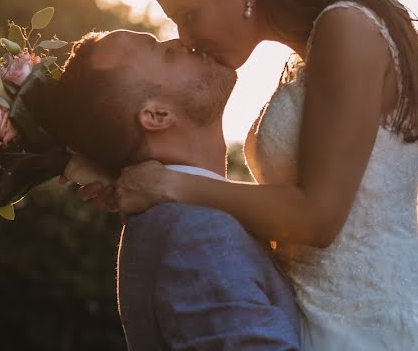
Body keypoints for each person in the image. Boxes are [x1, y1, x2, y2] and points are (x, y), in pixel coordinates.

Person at [106, 0, 418, 349]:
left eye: (187, 14)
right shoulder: (305, 57)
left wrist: (174, 185)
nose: (186, 37)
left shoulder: (348, 29)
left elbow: (319, 217)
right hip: (322, 320)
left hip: (382, 327)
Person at [51, 29, 301, 350]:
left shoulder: (175, 220)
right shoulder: (194, 232)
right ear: (157, 115)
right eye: (167, 53)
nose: (186, 42)